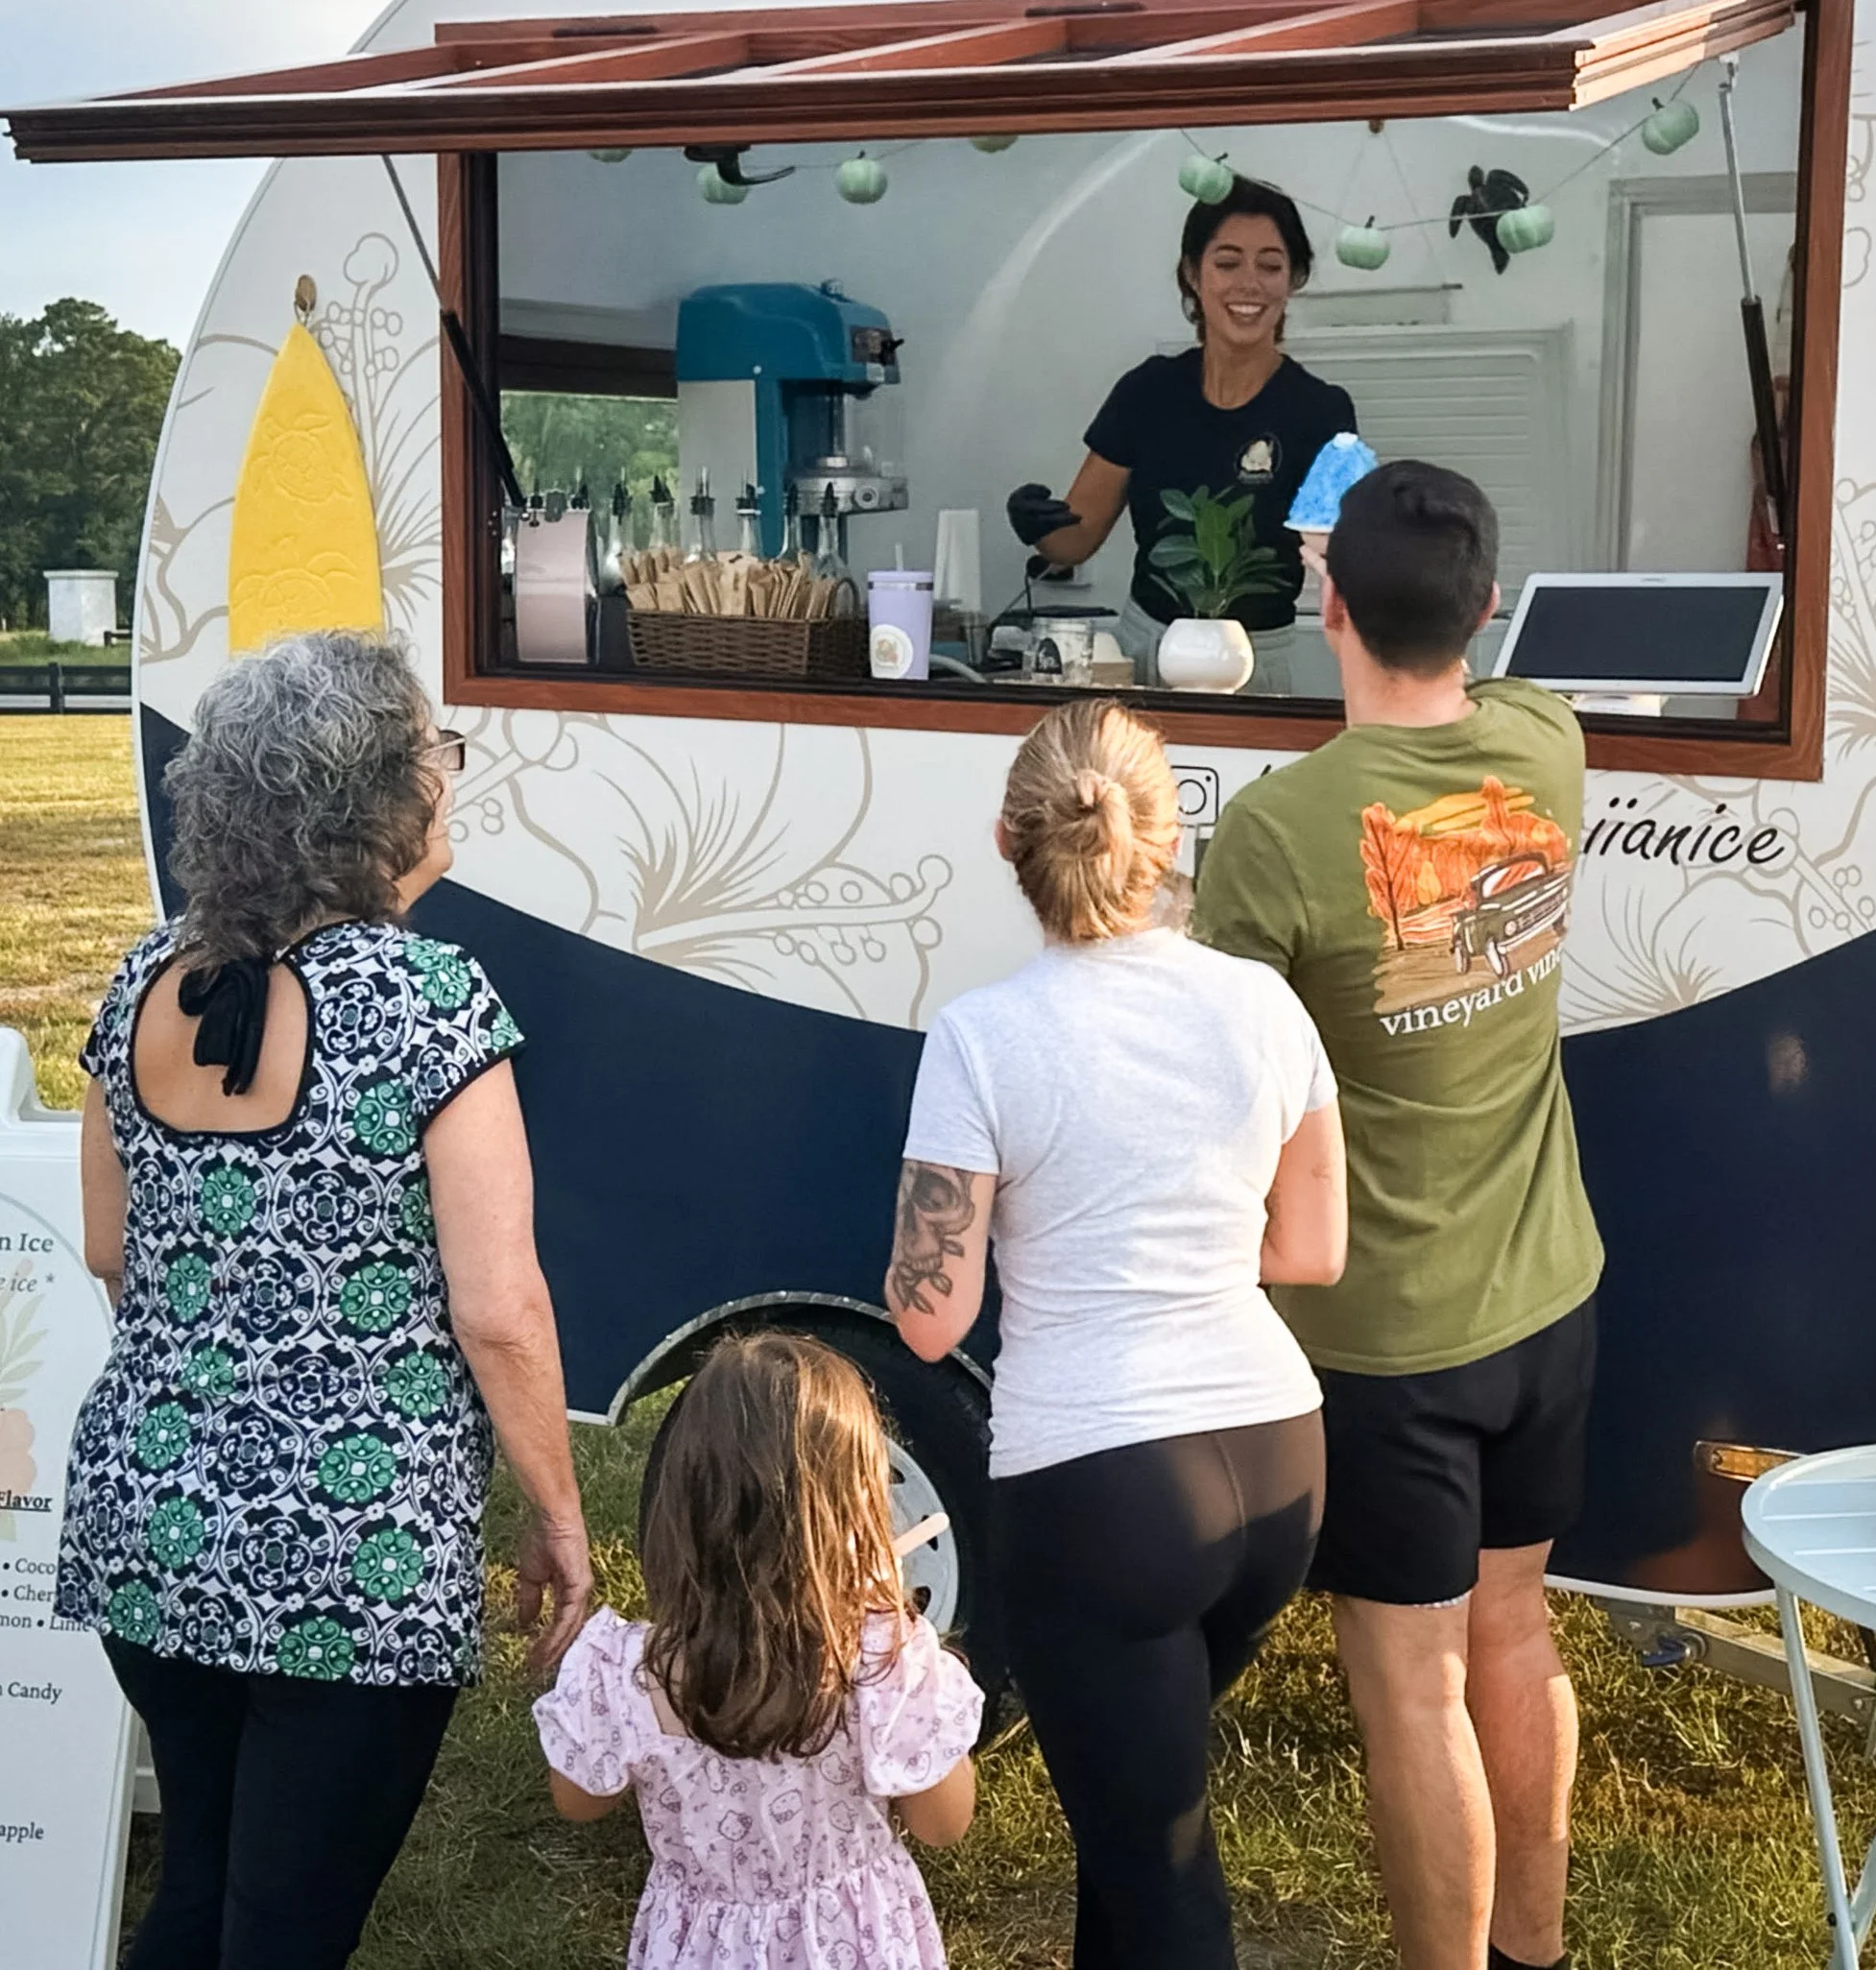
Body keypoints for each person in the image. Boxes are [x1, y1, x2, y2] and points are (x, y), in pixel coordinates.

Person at [60, 629, 591, 1970]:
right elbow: (499, 1309)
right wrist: (560, 1515)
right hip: (348, 1568)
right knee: (284, 1932)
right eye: (434, 753)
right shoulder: (428, 1005)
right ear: (372, 801)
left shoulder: (139, 982)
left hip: (150, 1521)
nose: (450, 779)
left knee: (198, 1898)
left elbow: (109, 1249)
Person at [1191, 462, 1602, 1970]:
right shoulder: (1547, 748)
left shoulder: (1284, 832)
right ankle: (1533, 1955)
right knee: (1515, 1631)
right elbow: (1500, 679)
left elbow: (1215, 1078)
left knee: (1414, 1685)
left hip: (1385, 1341)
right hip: (1552, 1296)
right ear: (1487, 606)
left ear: (1327, 603)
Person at [885, 698, 1348, 1969]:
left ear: (1006, 841)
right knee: (1132, 1808)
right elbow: (1313, 1251)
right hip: (1275, 1461)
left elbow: (932, 1319)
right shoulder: (1263, 1005)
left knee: (1162, 1872)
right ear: (1166, 833)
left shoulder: (983, 1038)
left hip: (1103, 1485)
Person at [536, 1330, 983, 1970]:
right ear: (850, 1512)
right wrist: (918, 1671)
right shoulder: (881, 1659)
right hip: (851, 1944)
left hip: (697, 1945)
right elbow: (945, 1824)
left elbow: (577, 1802)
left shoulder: (626, 1670)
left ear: (681, 1507)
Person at [1004, 175, 1358, 692]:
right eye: (1227, 262)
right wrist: (1034, 521)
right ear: (1192, 274)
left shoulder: (1322, 411)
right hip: (1145, 652)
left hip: (1259, 664)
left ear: (1294, 279)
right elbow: (1074, 542)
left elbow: (1343, 564)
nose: (1249, 284)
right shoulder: (1147, 392)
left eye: (1271, 265)